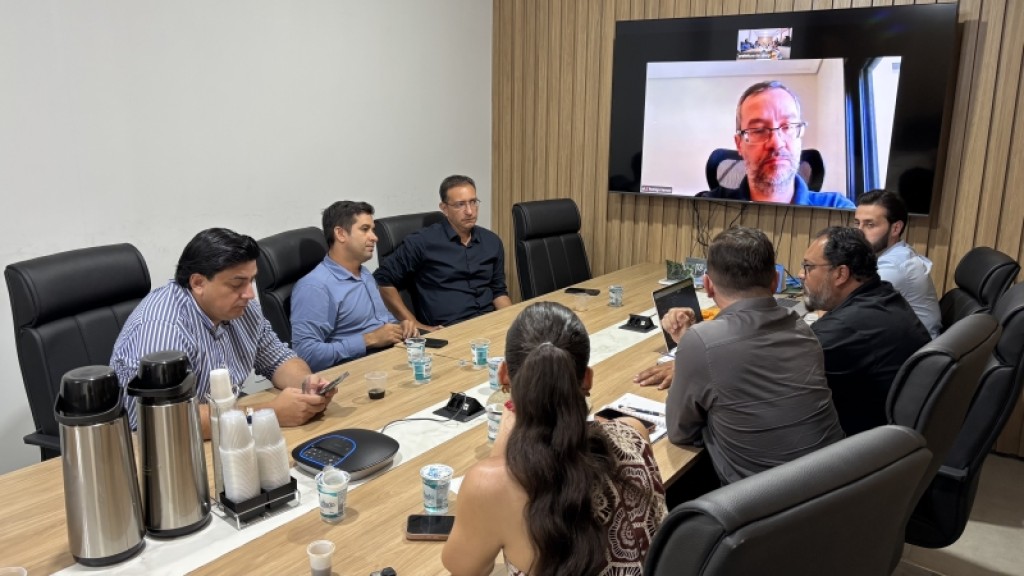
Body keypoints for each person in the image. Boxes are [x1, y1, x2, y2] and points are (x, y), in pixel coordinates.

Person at [441, 302, 666, 576]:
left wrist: (505, 435)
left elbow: (465, 569)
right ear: (587, 379)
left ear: (503, 375)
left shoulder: (489, 485)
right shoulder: (634, 433)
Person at [662, 227, 844, 484]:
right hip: (837, 483)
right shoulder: (802, 328)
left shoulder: (701, 342)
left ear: (708, 285)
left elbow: (679, 432)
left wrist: (688, 347)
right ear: (775, 281)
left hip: (765, 500)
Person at [111, 228, 335, 436]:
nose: (250, 294)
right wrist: (270, 413)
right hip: (157, 447)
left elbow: (278, 359)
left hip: (223, 431)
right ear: (198, 283)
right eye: (237, 284)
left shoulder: (244, 309)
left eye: (251, 281)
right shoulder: (165, 327)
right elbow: (170, 421)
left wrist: (306, 383)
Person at [800, 227, 932, 436]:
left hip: (860, 444)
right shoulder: (883, 294)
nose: (801, 275)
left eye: (808, 267)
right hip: (895, 435)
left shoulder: (844, 330)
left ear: (841, 274)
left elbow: (780, 384)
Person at [290, 201, 418, 372]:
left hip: (390, 358)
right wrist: (369, 340)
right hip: (358, 372)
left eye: (372, 230)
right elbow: (306, 355)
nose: (374, 237)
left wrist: (401, 326)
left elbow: (381, 320)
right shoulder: (314, 287)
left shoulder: (364, 274)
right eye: (365, 229)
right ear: (340, 234)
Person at [373, 175, 512, 329]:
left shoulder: (491, 241)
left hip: (490, 324)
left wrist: (512, 322)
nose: (470, 211)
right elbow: (382, 279)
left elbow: (498, 291)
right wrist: (416, 325)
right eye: (460, 204)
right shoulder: (422, 242)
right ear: (444, 208)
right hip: (450, 330)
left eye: (473, 202)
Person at [702, 80, 855, 208]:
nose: (776, 143)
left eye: (787, 127)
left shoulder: (837, 209)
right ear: (739, 144)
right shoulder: (707, 208)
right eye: (758, 130)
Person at [855, 189, 941, 338]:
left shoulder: (895, 267)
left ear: (895, 228)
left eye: (870, 225)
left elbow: (850, 311)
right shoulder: (894, 253)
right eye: (857, 223)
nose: (859, 232)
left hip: (911, 349)